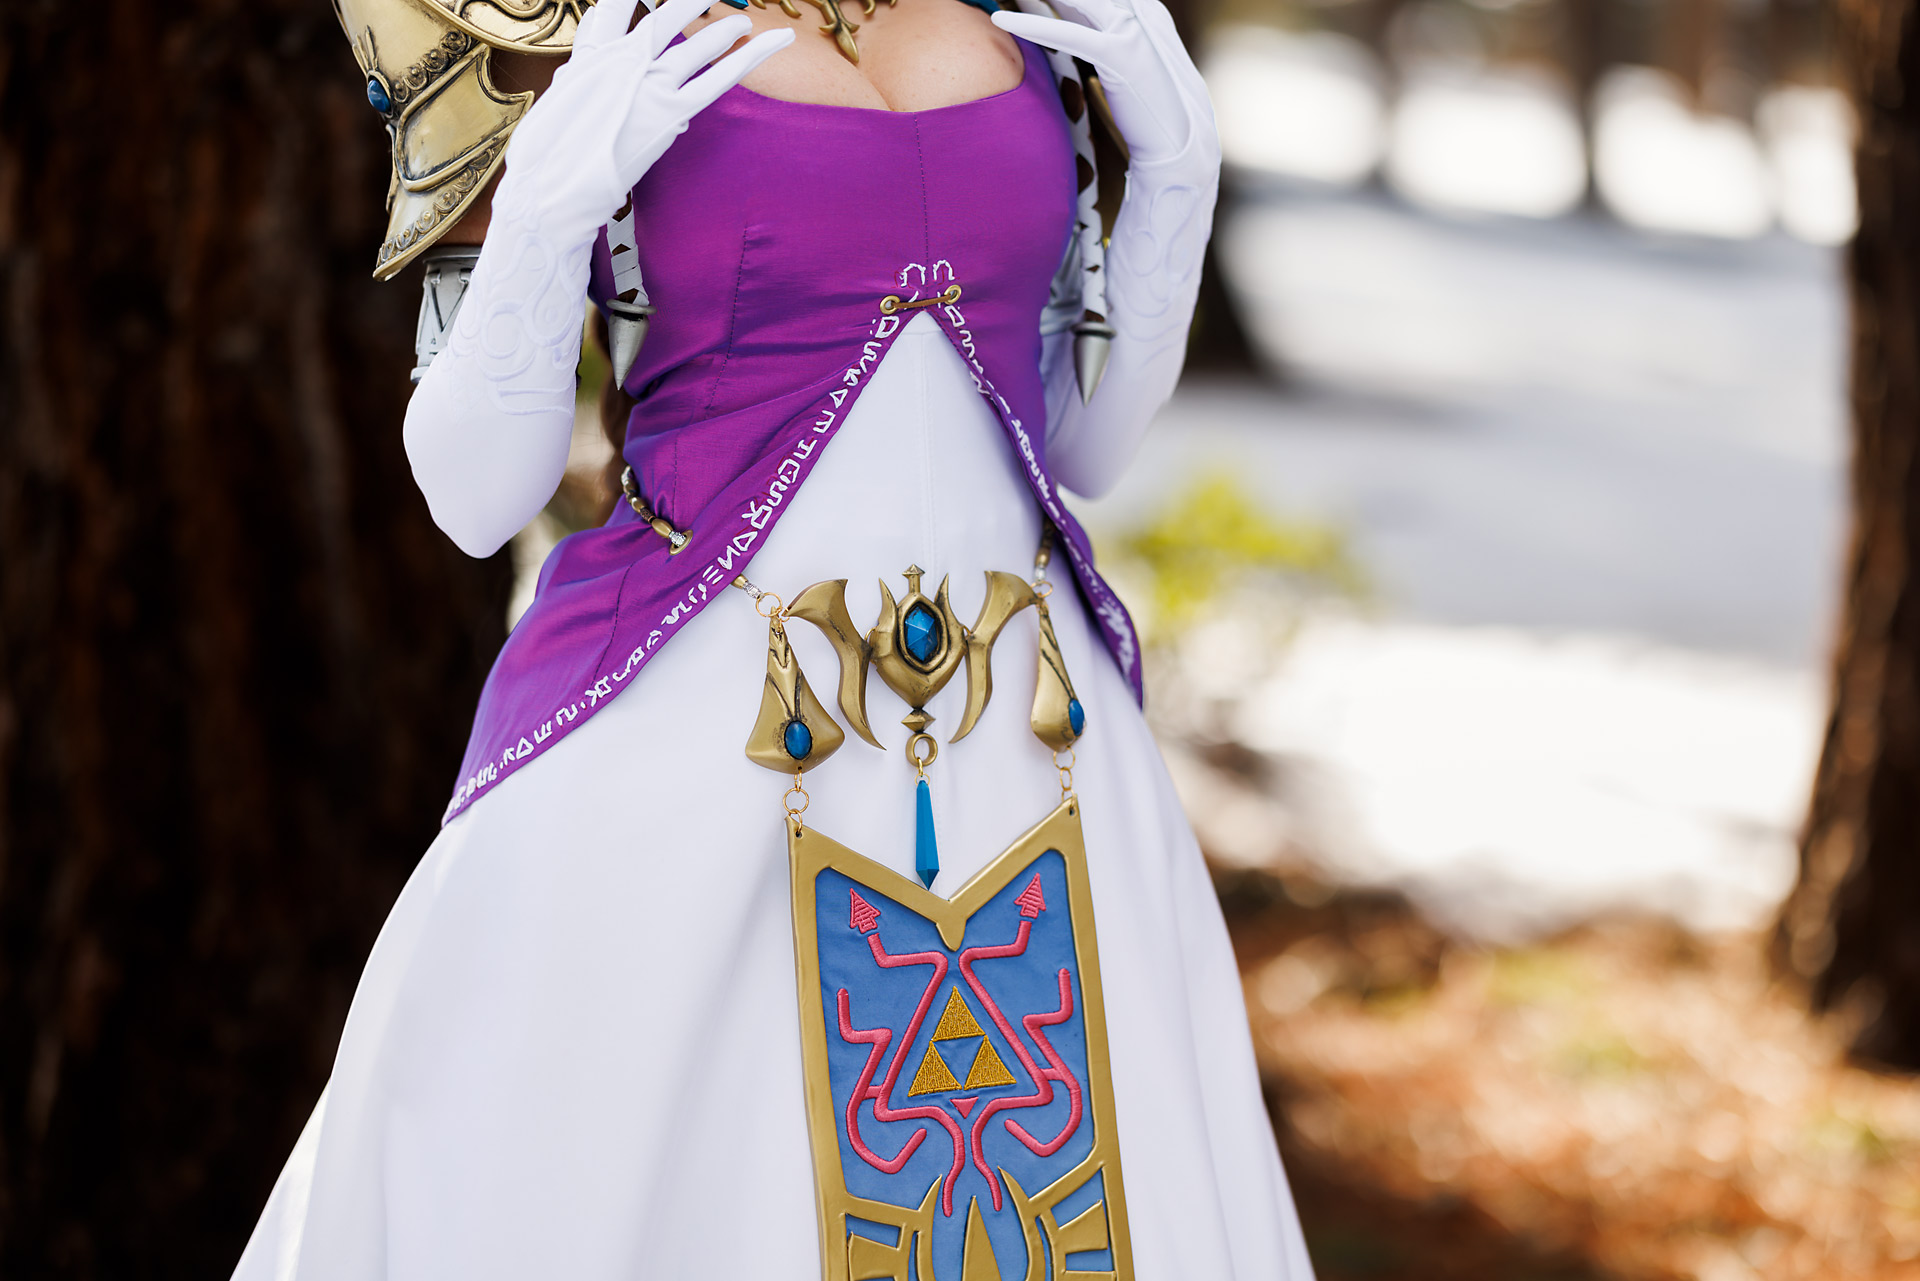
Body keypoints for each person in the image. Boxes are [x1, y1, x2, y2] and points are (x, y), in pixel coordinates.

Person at [232, 0, 1314, 1274]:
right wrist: (545, 208)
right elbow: (473, 497)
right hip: (692, 743)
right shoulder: (555, 23)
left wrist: (1178, 170)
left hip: (1039, 749)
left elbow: (1085, 444)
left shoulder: (1038, 20)